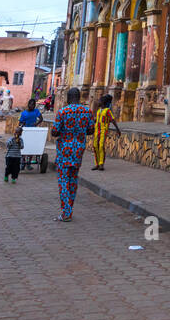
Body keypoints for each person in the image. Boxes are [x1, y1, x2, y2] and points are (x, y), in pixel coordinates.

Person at [52, 87, 95, 221]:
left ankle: (66, 212)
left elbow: (55, 131)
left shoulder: (62, 112)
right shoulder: (87, 111)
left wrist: (65, 132)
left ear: (68, 98)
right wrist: (79, 131)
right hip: (78, 150)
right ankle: (69, 208)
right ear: (79, 97)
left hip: (64, 149)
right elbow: (91, 130)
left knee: (63, 180)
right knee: (73, 179)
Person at [92, 94, 121, 170]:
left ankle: (101, 163)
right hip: (96, 130)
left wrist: (117, 129)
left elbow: (112, 120)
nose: (98, 102)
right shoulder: (98, 111)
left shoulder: (107, 111)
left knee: (101, 146)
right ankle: (97, 163)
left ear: (103, 102)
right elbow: (97, 120)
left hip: (103, 130)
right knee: (95, 146)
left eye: (99, 101)